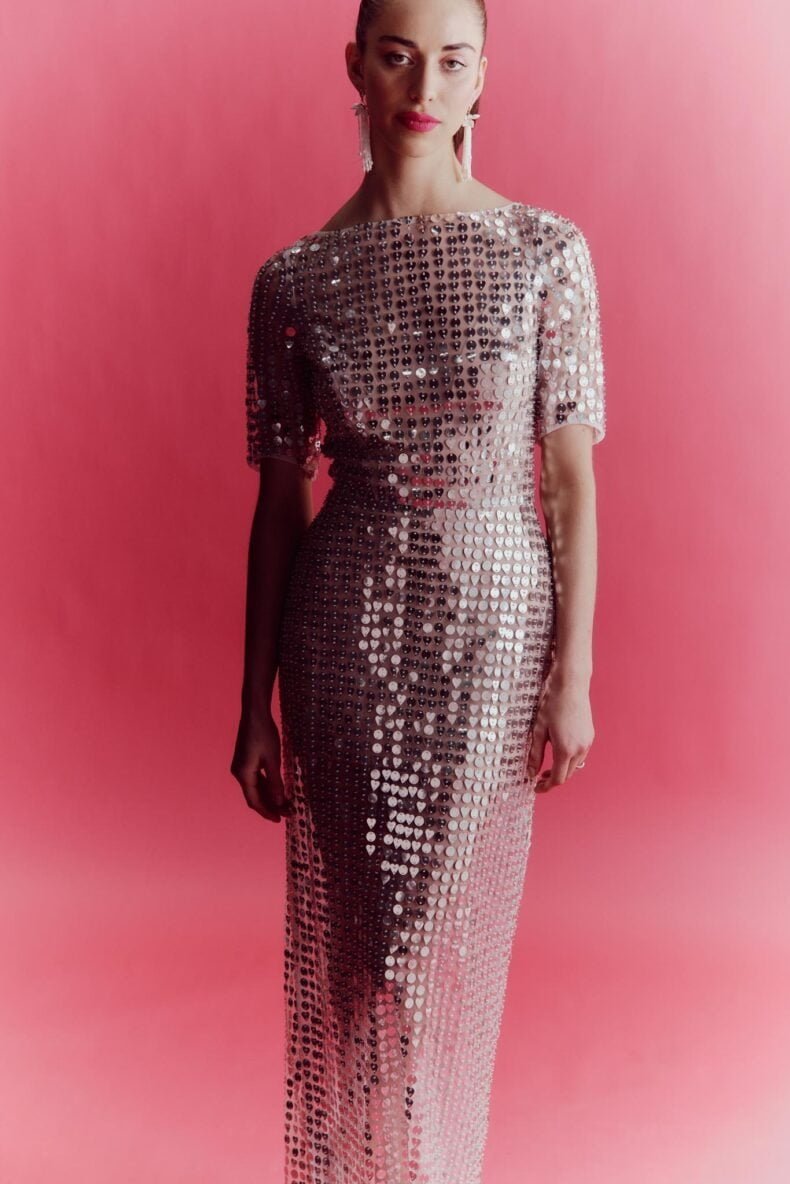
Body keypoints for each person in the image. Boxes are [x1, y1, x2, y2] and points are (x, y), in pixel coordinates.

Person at [230, 0, 606, 1179]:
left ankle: (415, 1162)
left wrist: (573, 674)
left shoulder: (545, 252)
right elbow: (281, 503)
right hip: (339, 629)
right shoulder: (293, 280)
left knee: (421, 945)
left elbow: (568, 483)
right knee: (358, 945)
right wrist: (252, 703)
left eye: (451, 60)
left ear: (484, 74)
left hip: (492, 629)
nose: (423, 86)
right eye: (397, 57)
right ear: (356, 65)